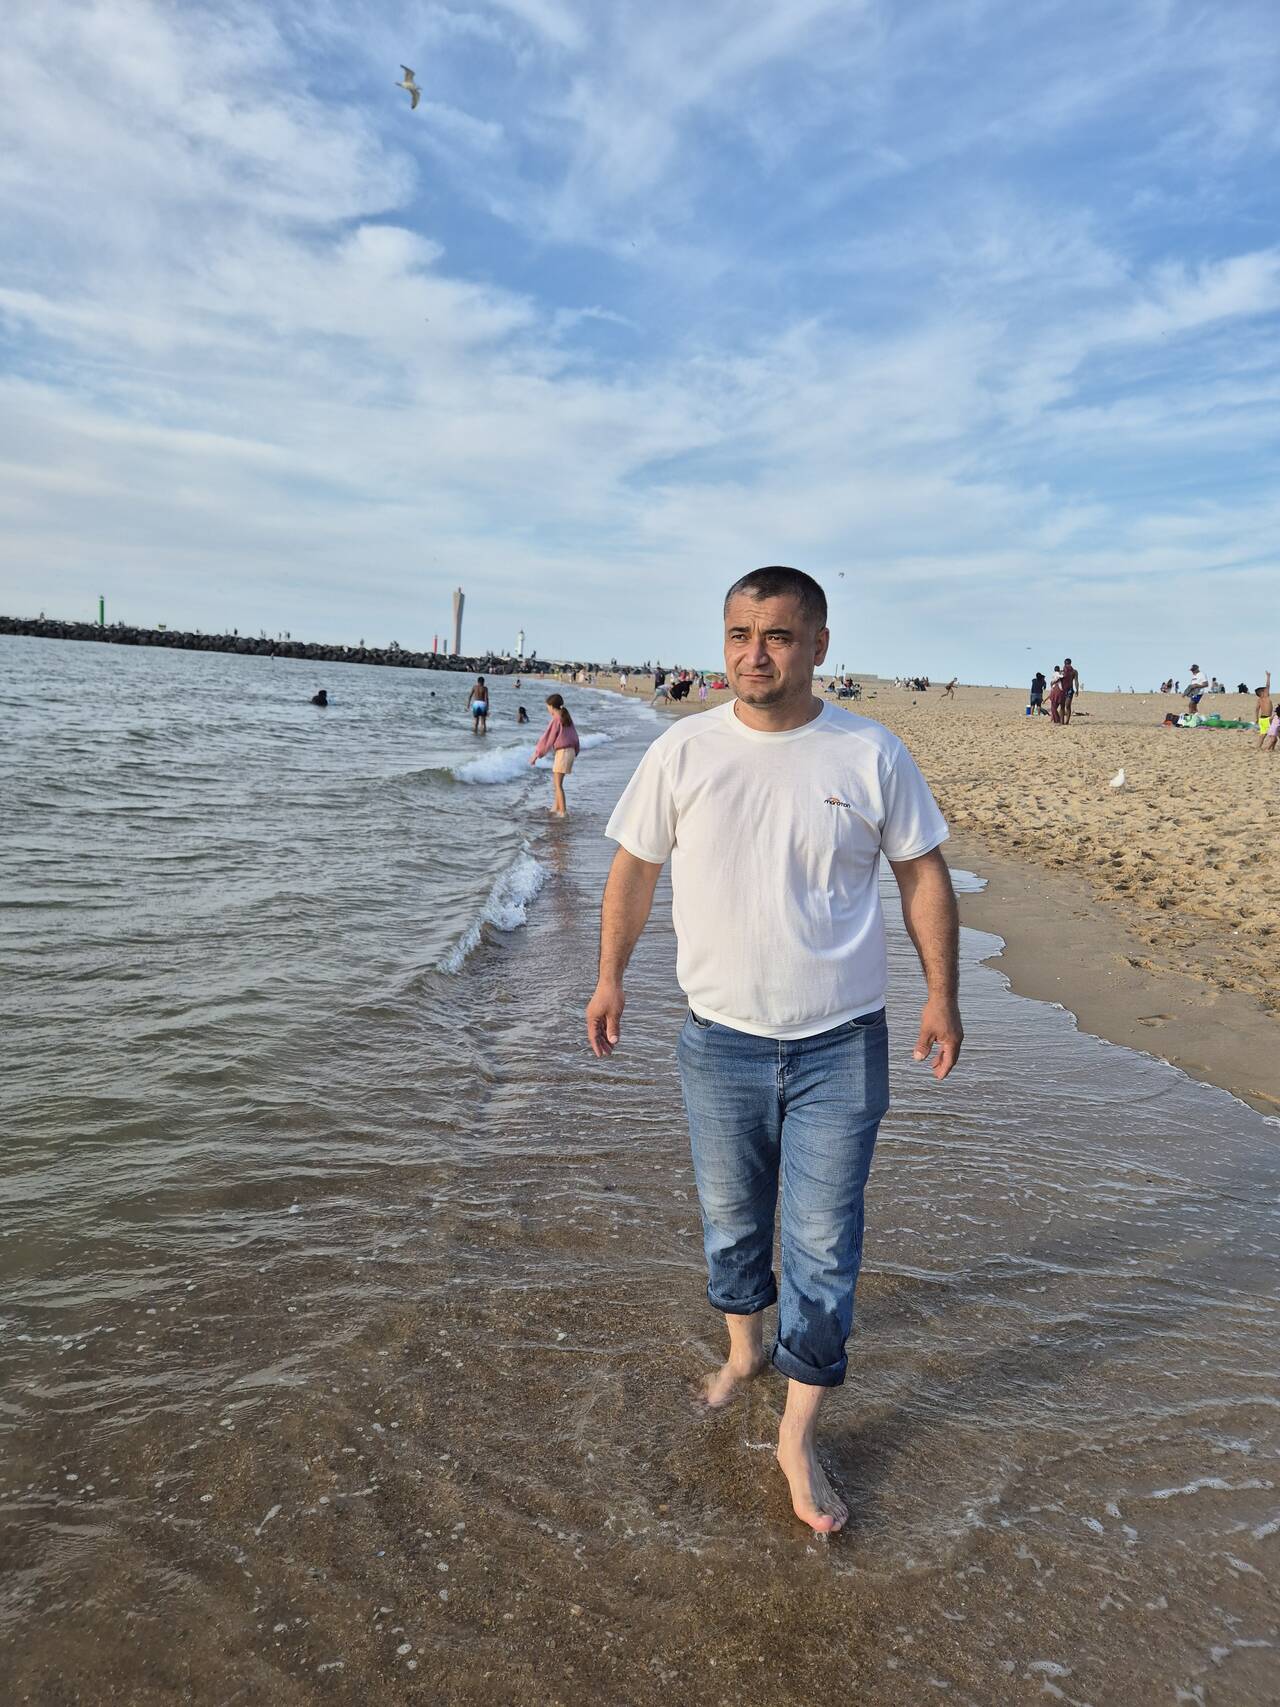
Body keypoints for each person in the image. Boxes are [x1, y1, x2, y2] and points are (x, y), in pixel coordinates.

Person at [586, 565, 961, 1535]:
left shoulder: (869, 752)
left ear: (818, 645)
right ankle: (744, 1350)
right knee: (730, 1223)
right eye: (739, 634)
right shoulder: (682, 750)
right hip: (719, 1043)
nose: (754, 654)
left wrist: (942, 994)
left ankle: (797, 1433)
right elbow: (633, 868)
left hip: (842, 1044)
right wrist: (609, 975)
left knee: (823, 1244)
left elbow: (921, 873)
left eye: (778, 636)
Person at [530, 692, 580, 815]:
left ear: (552, 706)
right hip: (570, 752)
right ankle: (555, 808)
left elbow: (547, 739)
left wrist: (536, 754)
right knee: (558, 784)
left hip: (563, 753)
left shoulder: (556, 719)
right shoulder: (566, 718)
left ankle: (563, 813)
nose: (547, 709)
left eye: (547, 707)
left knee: (557, 785)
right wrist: (576, 750)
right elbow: (574, 736)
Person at [1060, 657, 1080, 724]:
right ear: (1064, 664)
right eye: (1066, 664)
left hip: (1070, 690)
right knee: (1062, 706)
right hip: (1062, 690)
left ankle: (1067, 722)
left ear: (1070, 663)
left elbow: (1076, 681)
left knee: (1068, 705)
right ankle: (1062, 722)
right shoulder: (1062, 672)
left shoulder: (1074, 671)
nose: (1067, 665)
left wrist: (1077, 690)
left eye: (1068, 664)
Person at [1256, 671, 1273, 748]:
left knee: (1262, 735)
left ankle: (1258, 747)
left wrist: (1256, 718)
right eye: (1264, 690)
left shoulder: (1259, 700)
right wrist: (1268, 677)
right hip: (1267, 719)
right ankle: (1269, 748)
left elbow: (1256, 709)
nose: (1266, 690)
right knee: (1273, 734)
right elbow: (1268, 685)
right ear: (1262, 693)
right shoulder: (1266, 697)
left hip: (1261, 719)